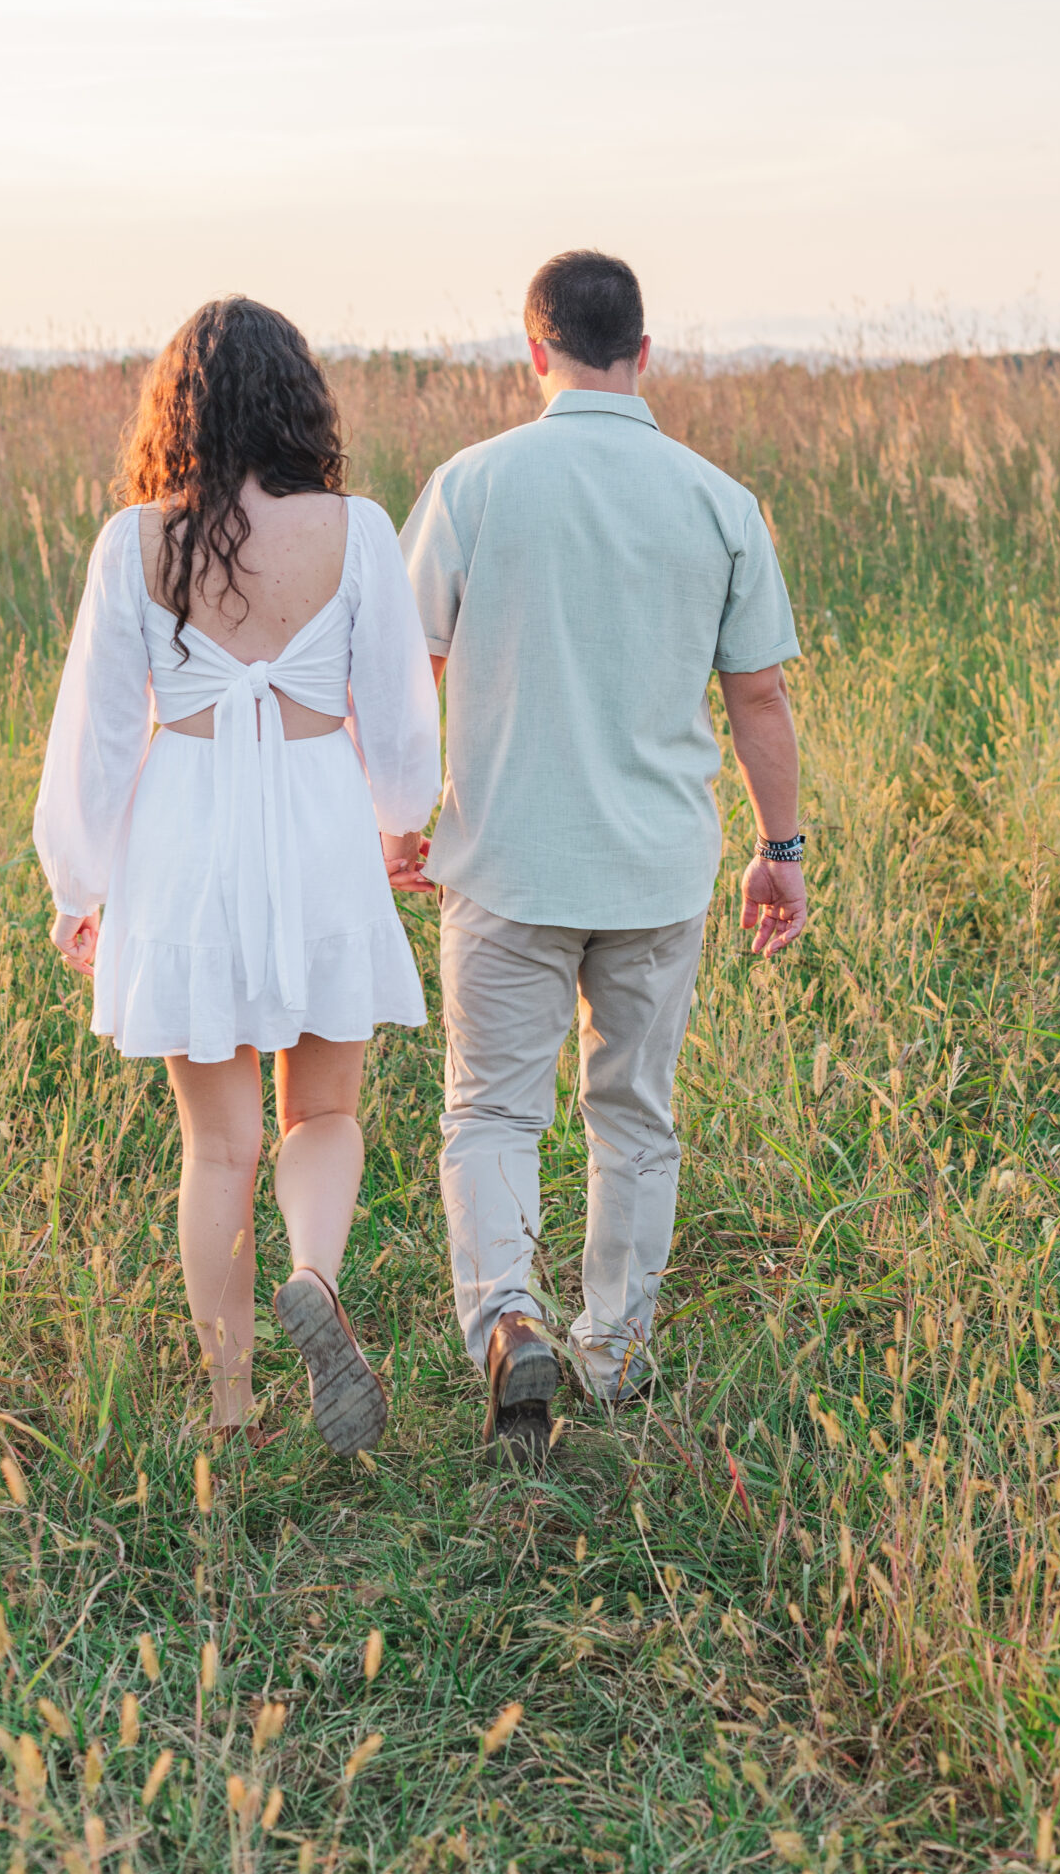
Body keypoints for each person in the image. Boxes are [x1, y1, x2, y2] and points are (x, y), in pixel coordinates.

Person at [399, 249, 808, 1460]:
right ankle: (613, 1347)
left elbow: (405, 668)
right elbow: (760, 699)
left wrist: (397, 819)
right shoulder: (717, 500)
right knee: (632, 1112)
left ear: (534, 353)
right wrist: (779, 849)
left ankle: (508, 1316)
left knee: (491, 1112)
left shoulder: (471, 486)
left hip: (505, 862)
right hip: (656, 870)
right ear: (644, 351)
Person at [33, 297, 440, 1457]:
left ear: (180, 409)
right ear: (296, 399)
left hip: (186, 833)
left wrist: (80, 880)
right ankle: (314, 1271)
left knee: (216, 1145)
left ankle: (230, 1402)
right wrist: (400, 825)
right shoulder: (357, 530)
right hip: (317, 819)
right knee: (325, 1109)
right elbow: (403, 712)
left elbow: (99, 734)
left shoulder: (135, 542)